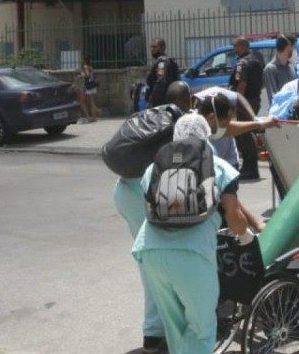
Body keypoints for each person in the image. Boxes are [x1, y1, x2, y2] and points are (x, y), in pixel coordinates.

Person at [132, 113, 257, 354]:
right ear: (206, 136)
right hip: (192, 255)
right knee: (201, 328)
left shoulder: (153, 168)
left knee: (174, 325)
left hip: (150, 252)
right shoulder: (219, 167)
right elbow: (234, 216)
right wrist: (246, 237)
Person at [112, 81, 192, 354]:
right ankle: (155, 336)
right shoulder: (178, 124)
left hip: (124, 192)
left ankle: (156, 334)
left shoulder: (151, 116)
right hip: (142, 195)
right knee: (159, 268)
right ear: (187, 101)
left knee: (151, 265)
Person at [193, 86, 279, 173]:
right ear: (211, 117)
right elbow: (230, 129)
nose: (227, 126)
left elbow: (237, 97)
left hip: (228, 162)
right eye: (225, 123)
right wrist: (261, 124)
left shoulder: (218, 97)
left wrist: (257, 120)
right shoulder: (190, 128)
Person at [228, 37, 265, 180]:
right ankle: (248, 167)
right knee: (246, 132)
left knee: (243, 134)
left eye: (235, 46)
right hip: (254, 100)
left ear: (242, 46)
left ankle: (251, 168)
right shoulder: (257, 60)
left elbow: (241, 84)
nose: (234, 49)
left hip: (244, 102)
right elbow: (261, 83)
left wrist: (237, 103)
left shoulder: (243, 62)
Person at [145, 38, 180, 108]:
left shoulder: (162, 62)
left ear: (162, 48)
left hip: (161, 102)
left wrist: (152, 100)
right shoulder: (167, 60)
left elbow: (160, 81)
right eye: (151, 47)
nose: (152, 49)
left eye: (155, 47)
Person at [262, 35, 297, 100]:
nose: (295, 51)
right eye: (294, 47)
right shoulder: (270, 69)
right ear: (288, 47)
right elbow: (273, 97)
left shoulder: (291, 66)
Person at [77, 58, 100, 123]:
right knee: (91, 102)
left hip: (88, 86)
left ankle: (90, 117)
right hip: (92, 85)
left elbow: (87, 75)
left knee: (83, 102)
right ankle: (94, 117)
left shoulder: (85, 66)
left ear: (85, 61)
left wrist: (81, 76)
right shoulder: (91, 67)